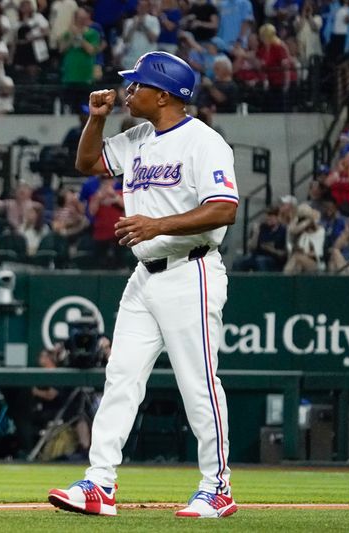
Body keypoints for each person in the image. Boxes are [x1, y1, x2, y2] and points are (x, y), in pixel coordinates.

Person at [49, 52, 239, 519]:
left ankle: (217, 487)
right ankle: (99, 484)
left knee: (198, 385)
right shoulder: (136, 137)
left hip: (190, 270)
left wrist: (160, 226)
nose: (129, 91)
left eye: (137, 85)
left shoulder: (203, 142)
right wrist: (95, 119)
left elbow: (224, 208)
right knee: (120, 378)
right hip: (145, 276)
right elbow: (87, 162)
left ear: (166, 94)